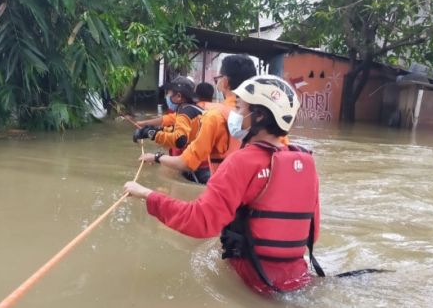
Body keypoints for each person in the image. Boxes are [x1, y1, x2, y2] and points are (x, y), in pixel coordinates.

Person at [124, 74, 321, 295]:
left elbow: (199, 221)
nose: (235, 115)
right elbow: (313, 235)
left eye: (240, 108)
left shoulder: (242, 161)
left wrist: (147, 194)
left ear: (258, 116)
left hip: (255, 281)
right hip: (300, 279)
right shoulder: (305, 160)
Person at [138, 54, 257, 177]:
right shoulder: (260, 114)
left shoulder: (214, 115)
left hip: (218, 180)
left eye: (218, 78)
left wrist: (156, 156)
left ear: (225, 82)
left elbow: (186, 159)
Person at [132, 77, 208, 183]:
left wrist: (151, 134)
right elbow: (174, 130)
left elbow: (180, 139)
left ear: (178, 96)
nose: (167, 96)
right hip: (205, 163)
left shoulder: (185, 113)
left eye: (170, 93)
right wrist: (154, 130)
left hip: (199, 169)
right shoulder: (192, 109)